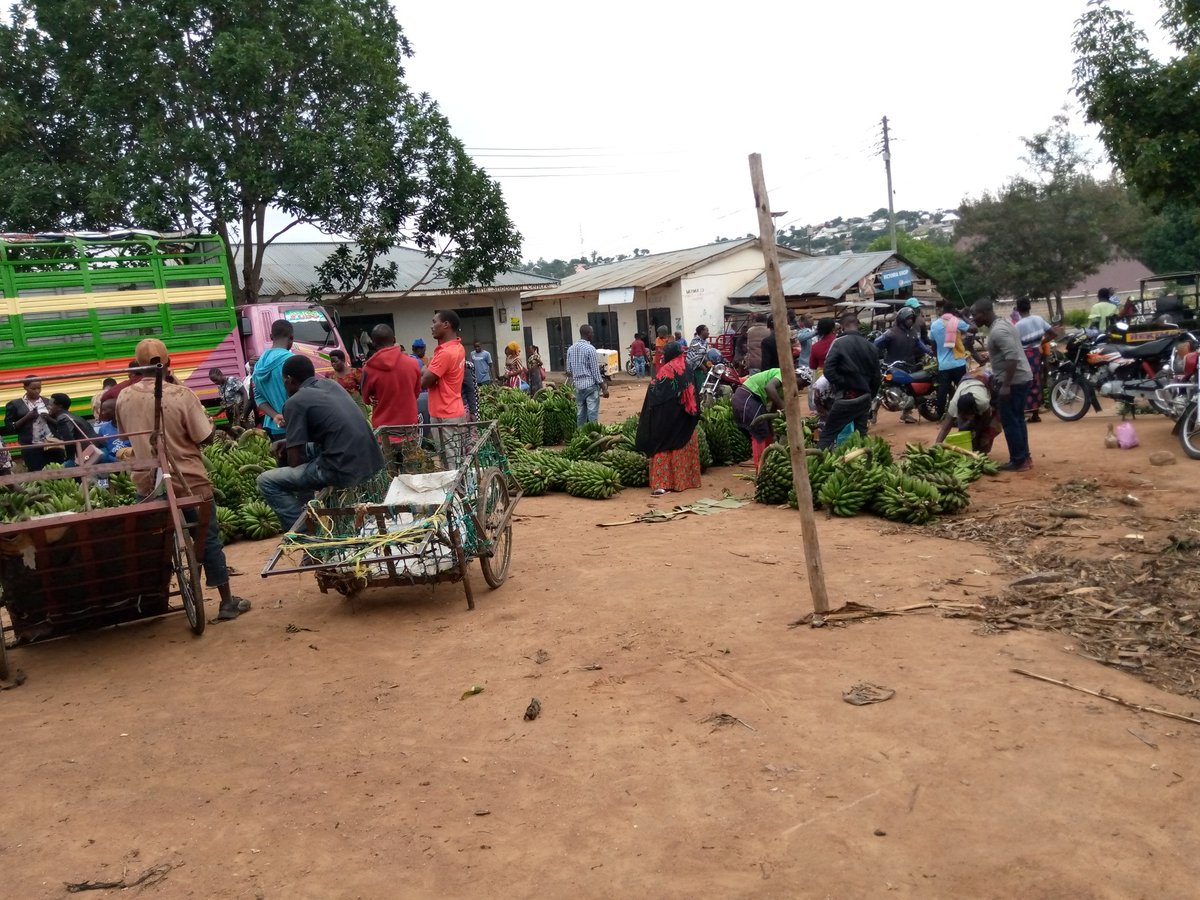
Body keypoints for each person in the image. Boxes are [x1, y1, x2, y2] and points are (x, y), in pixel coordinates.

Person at [117, 338, 251, 621]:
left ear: (139, 367)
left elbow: (124, 436)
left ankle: (149, 601)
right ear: (169, 364)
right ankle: (226, 602)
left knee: (151, 544)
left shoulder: (124, 397)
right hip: (188, 480)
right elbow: (205, 437)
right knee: (208, 537)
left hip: (147, 484)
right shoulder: (181, 395)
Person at [256, 355, 385, 530]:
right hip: (371, 457)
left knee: (266, 481)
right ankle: (315, 511)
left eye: (283, 381)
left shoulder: (294, 403)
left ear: (289, 380)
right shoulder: (331, 385)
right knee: (305, 449)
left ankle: (306, 533)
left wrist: (291, 447)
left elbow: (295, 460)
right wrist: (289, 442)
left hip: (342, 469)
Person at [972, 299, 1033, 471]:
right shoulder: (1002, 324)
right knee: (1018, 419)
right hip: (1020, 378)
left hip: (1014, 381)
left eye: (975, 314)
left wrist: (1006, 384)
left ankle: (1019, 460)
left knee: (1010, 421)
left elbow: (1012, 357)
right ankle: (1024, 457)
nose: (973, 318)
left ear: (983, 314)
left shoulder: (998, 331)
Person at [635, 341, 702, 496]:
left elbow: (655, 393)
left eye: (665, 354)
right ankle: (685, 482)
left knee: (662, 445)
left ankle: (661, 484)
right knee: (682, 444)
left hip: (666, 417)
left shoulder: (666, 370)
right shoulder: (687, 367)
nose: (663, 357)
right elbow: (694, 393)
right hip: (685, 417)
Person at [817, 313, 883, 449]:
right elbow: (877, 377)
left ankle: (815, 464)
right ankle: (865, 464)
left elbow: (828, 370)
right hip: (864, 397)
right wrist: (869, 394)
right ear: (857, 325)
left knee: (828, 435)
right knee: (862, 435)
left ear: (841, 327)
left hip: (846, 398)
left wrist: (844, 383)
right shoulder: (870, 346)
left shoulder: (838, 343)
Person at [421, 311, 468, 464]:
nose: (431, 326)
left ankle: (456, 488)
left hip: (444, 414)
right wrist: (427, 371)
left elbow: (424, 381)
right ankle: (459, 487)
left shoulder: (445, 353)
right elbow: (430, 374)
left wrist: (424, 370)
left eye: (434, 322)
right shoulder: (458, 347)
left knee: (449, 463)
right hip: (453, 408)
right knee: (454, 458)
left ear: (446, 324)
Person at [875, 306, 931, 424]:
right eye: (908, 319)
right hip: (892, 366)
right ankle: (873, 412)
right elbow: (876, 344)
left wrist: (930, 352)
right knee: (881, 388)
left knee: (910, 391)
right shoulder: (891, 333)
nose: (910, 321)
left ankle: (906, 414)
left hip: (909, 366)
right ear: (901, 319)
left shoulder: (913, 333)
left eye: (911, 319)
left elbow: (921, 346)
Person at [361, 324, 422, 428]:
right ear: (394, 339)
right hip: (409, 425)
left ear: (373, 343)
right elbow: (416, 393)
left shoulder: (368, 369)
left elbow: (366, 399)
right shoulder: (413, 363)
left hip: (383, 429)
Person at [934, 372, 1001, 454]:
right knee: (964, 428)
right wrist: (935, 448)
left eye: (970, 414)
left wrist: (977, 436)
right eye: (965, 415)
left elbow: (985, 422)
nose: (968, 417)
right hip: (967, 379)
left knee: (989, 427)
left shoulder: (982, 403)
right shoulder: (954, 405)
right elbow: (945, 429)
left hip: (988, 380)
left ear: (974, 409)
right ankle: (972, 448)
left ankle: (982, 451)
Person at [253, 319, 295, 441]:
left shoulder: (258, 365)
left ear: (271, 336)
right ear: (291, 337)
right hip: (296, 427)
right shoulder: (293, 361)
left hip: (273, 425)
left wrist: (275, 415)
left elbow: (258, 397)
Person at [929, 308, 971, 421]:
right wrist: (964, 316)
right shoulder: (956, 321)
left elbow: (932, 344)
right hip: (958, 362)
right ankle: (964, 413)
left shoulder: (934, 325)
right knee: (962, 388)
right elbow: (974, 328)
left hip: (943, 364)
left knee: (943, 389)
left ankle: (940, 413)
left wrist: (938, 357)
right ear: (954, 313)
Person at [1014, 298, 1052, 424]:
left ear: (1018, 310)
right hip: (1037, 353)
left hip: (1025, 355)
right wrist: (1040, 343)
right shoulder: (1039, 319)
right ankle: (1035, 414)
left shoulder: (1018, 326)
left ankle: (1024, 413)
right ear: (1030, 307)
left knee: (1023, 382)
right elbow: (1053, 333)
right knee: (1036, 381)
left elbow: (1015, 344)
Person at [46, 392, 111, 466]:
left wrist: (70, 460)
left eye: (51, 405)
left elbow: (69, 442)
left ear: (59, 406)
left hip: (91, 454)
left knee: (61, 471)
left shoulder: (62, 419)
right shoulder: (71, 415)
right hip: (101, 450)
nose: (48, 407)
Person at [5, 375, 53, 471]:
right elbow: (9, 427)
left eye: (39, 388)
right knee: (36, 471)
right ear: (25, 387)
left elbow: (56, 422)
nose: (37, 391)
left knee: (54, 471)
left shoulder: (47, 402)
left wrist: (47, 417)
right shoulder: (15, 405)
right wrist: (27, 417)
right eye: (33, 388)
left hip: (50, 444)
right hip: (30, 446)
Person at [565, 323, 605, 425]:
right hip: (590, 386)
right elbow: (595, 371)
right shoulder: (590, 349)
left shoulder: (571, 349)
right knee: (592, 414)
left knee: (580, 414)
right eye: (592, 332)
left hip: (578, 387)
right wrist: (603, 387)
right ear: (588, 334)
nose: (593, 334)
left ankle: (581, 436)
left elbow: (569, 370)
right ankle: (593, 436)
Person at [410, 338, 430, 426]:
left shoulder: (408, 359)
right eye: (424, 350)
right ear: (419, 349)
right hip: (420, 396)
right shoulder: (418, 362)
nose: (425, 352)